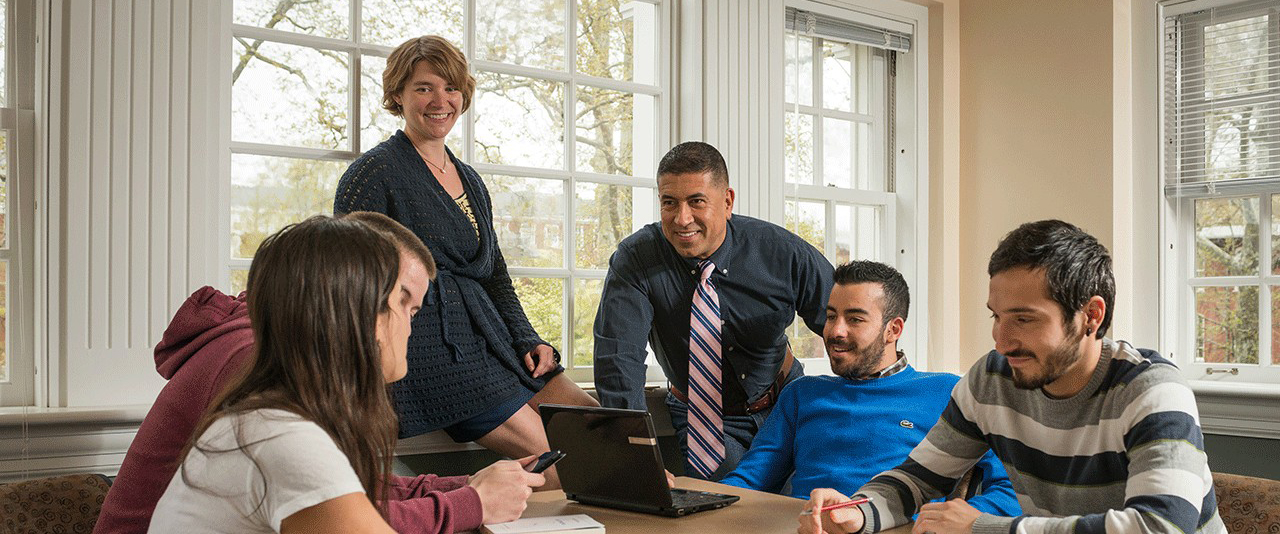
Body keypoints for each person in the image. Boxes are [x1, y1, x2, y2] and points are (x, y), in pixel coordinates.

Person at [102, 213, 541, 534]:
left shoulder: (279, 410)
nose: (412, 324)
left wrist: (473, 485)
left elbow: (348, 492)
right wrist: (474, 501)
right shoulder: (274, 428)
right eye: (404, 303)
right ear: (359, 309)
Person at [799, 220, 1226, 534]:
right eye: (996, 316)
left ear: (1091, 316)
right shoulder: (991, 380)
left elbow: (1162, 526)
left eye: (1024, 319)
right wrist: (857, 509)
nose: (1002, 341)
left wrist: (984, 528)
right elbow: (916, 479)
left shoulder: (1153, 391)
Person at [333, 35, 596, 487]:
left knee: (603, 424)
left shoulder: (469, 178)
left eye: (451, 88)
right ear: (397, 95)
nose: (441, 101)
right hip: (437, 358)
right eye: (424, 88)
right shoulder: (373, 173)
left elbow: (494, 274)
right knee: (562, 466)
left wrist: (528, 339)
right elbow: (349, 283)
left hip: (491, 338)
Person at [593, 141, 833, 480]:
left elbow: (845, 328)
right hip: (704, 418)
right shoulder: (636, 260)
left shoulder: (782, 252)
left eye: (696, 202)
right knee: (734, 513)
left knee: (814, 495)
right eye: (669, 203)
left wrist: (864, 404)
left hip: (786, 402)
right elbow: (618, 359)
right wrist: (636, 458)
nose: (682, 219)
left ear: (727, 201)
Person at [720, 261, 1019, 519]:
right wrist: (689, 495)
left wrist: (950, 523)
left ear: (894, 329)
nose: (836, 330)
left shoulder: (947, 391)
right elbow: (749, 481)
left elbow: (1012, 490)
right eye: (832, 315)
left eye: (855, 319)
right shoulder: (802, 393)